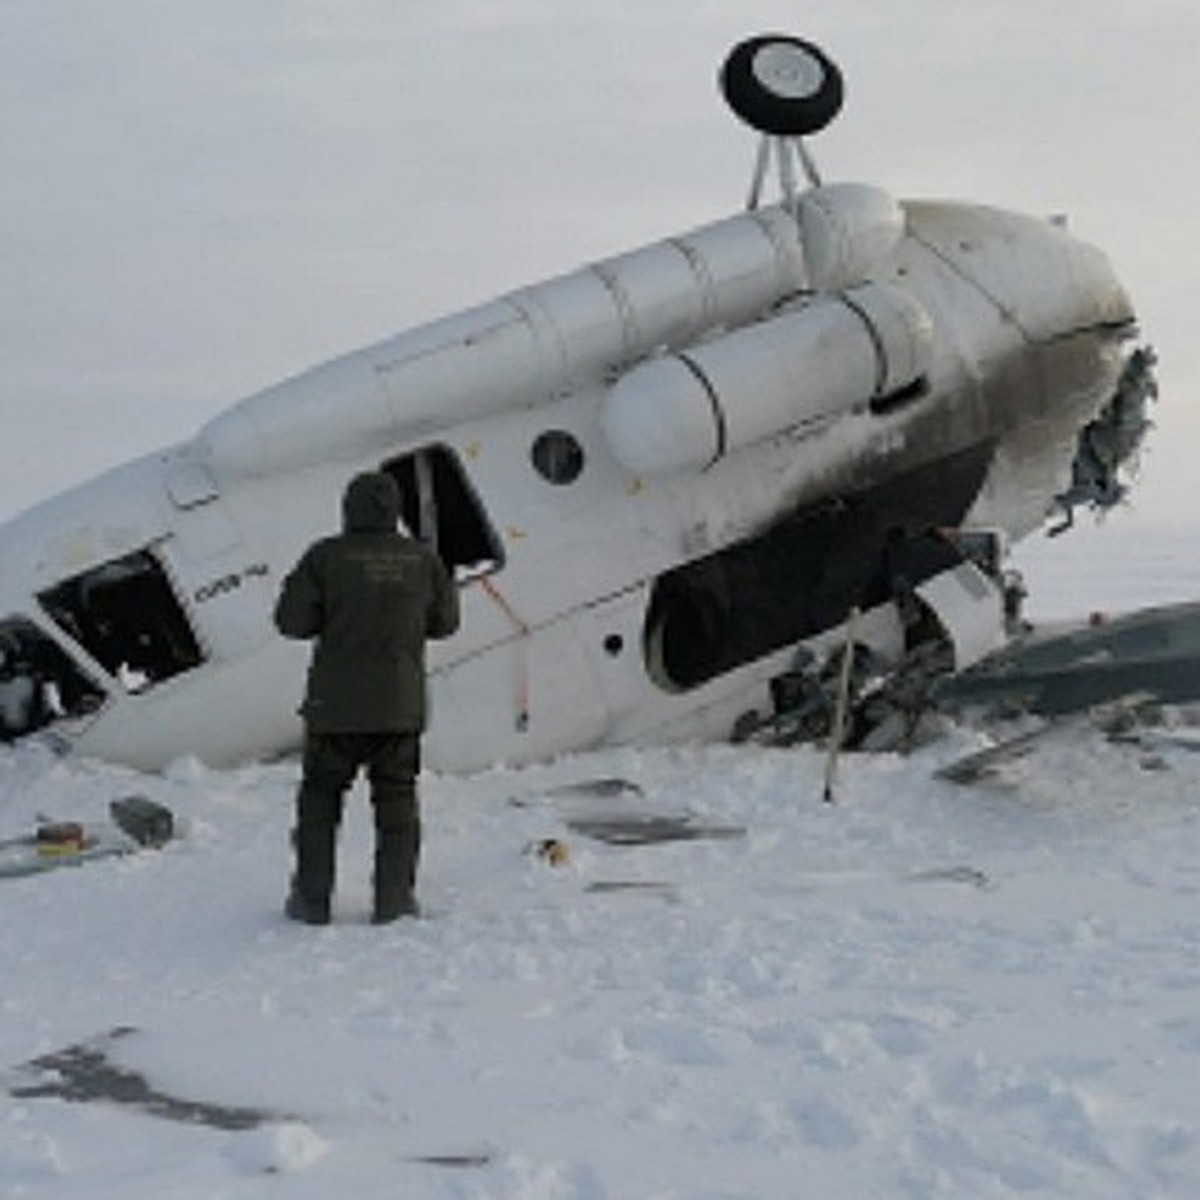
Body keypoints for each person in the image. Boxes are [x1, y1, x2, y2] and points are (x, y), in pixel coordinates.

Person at [274, 471, 460, 924]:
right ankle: (393, 903)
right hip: (398, 707)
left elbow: (291, 622)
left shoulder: (324, 557)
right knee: (397, 807)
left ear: (348, 508)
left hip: (333, 709)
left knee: (320, 804)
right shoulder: (423, 560)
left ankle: (310, 903)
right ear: (395, 510)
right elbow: (446, 623)